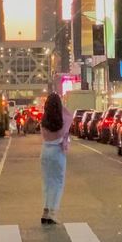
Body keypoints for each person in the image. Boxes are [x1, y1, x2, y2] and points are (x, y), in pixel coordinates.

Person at [40, 94, 73, 224]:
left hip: (45, 151)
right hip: (57, 152)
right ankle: (53, 213)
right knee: (58, 183)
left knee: (47, 182)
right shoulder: (62, 120)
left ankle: (46, 211)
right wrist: (60, 106)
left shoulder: (44, 120)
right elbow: (69, 115)